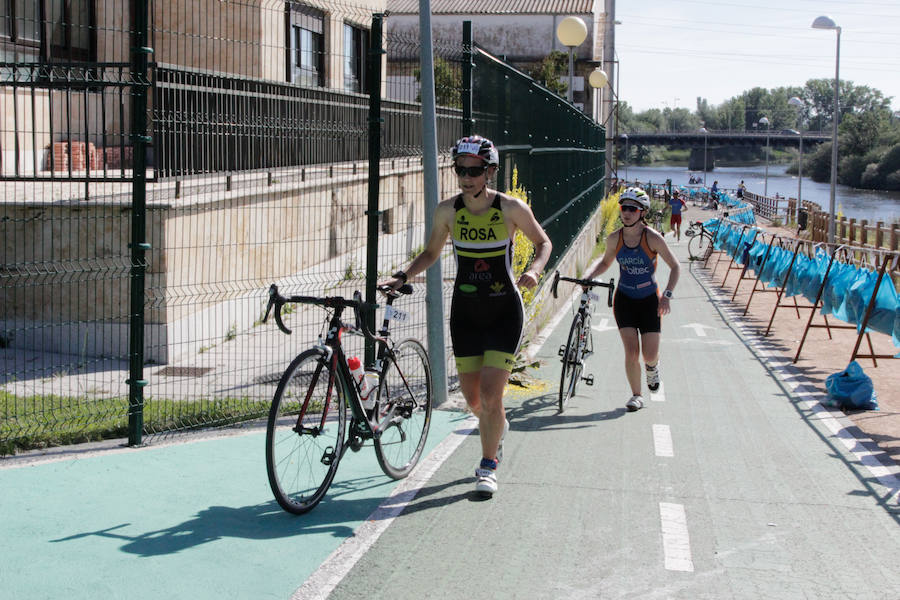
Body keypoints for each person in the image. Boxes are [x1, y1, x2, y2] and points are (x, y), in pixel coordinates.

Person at [380, 135, 552, 497]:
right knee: (475, 401)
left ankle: (488, 464)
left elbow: (543, 242)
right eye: (460, 170)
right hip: (466, 313)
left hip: (504, 311)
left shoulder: (510, 208)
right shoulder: (447, 211)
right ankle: (496, 426)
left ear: (490, 171)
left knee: (491, 395)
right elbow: (431, 253)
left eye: (474, 171)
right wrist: (402, 276)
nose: (466, 177)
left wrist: (535, 270)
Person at [583, 187, 680, 412]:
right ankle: (637, 395)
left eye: (632, 209)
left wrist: (667, 296)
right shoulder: (614, 238)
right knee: (632, 352)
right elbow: (605, 262)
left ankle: (652, 367)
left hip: (649, 301)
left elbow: (675, 266)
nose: (626, 213)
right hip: (624, 300)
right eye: (623, 208)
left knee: (649, 355)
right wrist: (589, 276)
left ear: (642, 212)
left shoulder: (652, 238)